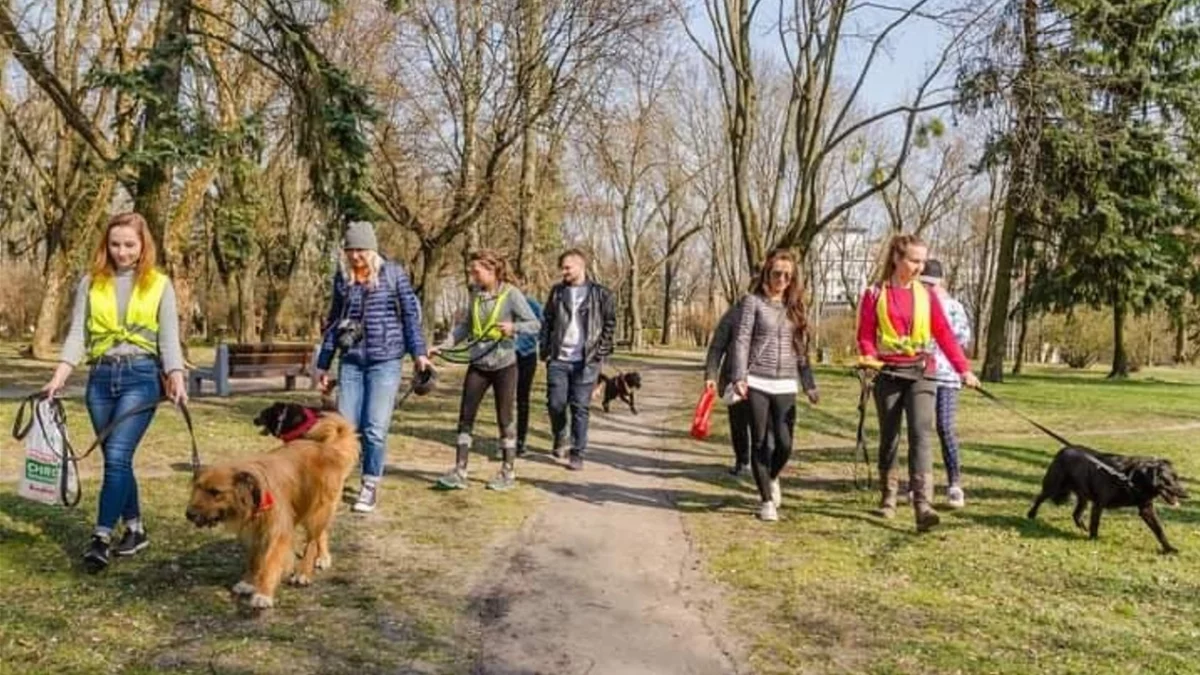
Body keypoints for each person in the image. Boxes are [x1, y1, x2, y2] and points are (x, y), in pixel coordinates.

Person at [43, 212, 188, 573]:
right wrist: (59, 374)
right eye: (115, 244)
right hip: (101, 379)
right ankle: (135, 528)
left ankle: (101, 538)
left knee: (119, 455)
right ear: (105, 245)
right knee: (116, 460)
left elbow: (169, 338)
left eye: (129, 245)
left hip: (141, 377)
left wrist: (176, 376)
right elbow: (78, 334)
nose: (122, 252)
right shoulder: (91, 282)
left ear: (143, 247)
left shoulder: (159, 284)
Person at [856, 234, 979, 532]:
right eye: (914, 260)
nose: (919, 267)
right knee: (890, 434)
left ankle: (922, 504)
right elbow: (866, 335)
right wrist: (870, 358)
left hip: (923, 371)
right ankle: (888, 496)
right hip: (889, 374)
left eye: (923, 261)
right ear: (897, 259)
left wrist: (963, 369)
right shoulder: (874, 294)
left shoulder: (927, 295)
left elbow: (944, 334)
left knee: (922, 434)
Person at [314, 220, 432, 513]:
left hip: (385, 360)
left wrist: (419, 354)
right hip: (351, 361)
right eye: (350, 249)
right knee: (345, 427)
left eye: (361, 249)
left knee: (374, 428)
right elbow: (332, 323)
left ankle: (369, 482)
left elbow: (409, 318)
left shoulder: (393, 274)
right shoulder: (343, 279)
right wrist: (322, 365)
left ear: (372, 249)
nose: (355, 256)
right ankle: (336, 480)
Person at [430, 250, 540, 490]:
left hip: (505, 365)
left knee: (505, 418)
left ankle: (507, 472)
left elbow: (535, 325)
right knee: (465, 416)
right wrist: (444, 345)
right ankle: (459, 471)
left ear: (492, 271)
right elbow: (466, 326)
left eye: (476, 271)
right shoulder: (476, 295)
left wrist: (514, 327)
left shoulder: (512, 295)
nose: (473, 276)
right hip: (478, 364)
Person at [730, 249, 820, 522]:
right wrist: (738, 376)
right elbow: (742, 340)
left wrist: (809, 383)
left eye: (787, 275)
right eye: (777, 273)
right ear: (767, 274)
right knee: (759, 439)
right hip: (757, 379)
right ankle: (766, 501)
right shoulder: (752, 302)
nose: (782, 279)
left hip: (785, 383)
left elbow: (800, 348)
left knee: (785, 443)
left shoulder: (795, 307)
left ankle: (772, 476)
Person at [538, 248, 616, 471]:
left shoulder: (602, 294)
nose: (563, 272)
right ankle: (560, 435)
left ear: (580, 267)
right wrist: (544, 349)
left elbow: (609, 325)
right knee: (555, 403)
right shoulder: (557, 293)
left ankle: (577, 452)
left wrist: (600, 352)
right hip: (559, 359)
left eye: (567, 267)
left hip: (586, 360)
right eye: (562, 268)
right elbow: (547, 322)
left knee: (580, 407)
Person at [921, 259, 973, 509]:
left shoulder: (954, 306)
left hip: (948, 378)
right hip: (921, 375)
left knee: (945, 428)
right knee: (920, 431)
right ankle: (919, 484)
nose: (929, 288)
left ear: (941, 282)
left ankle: (955, 484)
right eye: (924, 284)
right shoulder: (918, 303)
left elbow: (962, 338)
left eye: (932, 284)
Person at [705, 295, 753, 476]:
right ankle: (743, 461)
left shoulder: (775, 312)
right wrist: (711, 374)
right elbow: (716, 347)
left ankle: (762, 465)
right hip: (735, 379)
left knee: (762, 426)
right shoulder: (735, 313)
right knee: (738, 423)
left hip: (763, 379)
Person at [512, 273, 544, 458]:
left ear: (526, 285)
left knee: (523, 398)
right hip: (507, 356)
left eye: (521, 283)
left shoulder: (533, 305)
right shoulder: (505, 303)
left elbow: (541, 327)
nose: (518, 286)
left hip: (527, 356)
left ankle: (521, 440)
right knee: (507, 400)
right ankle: (507, 438)